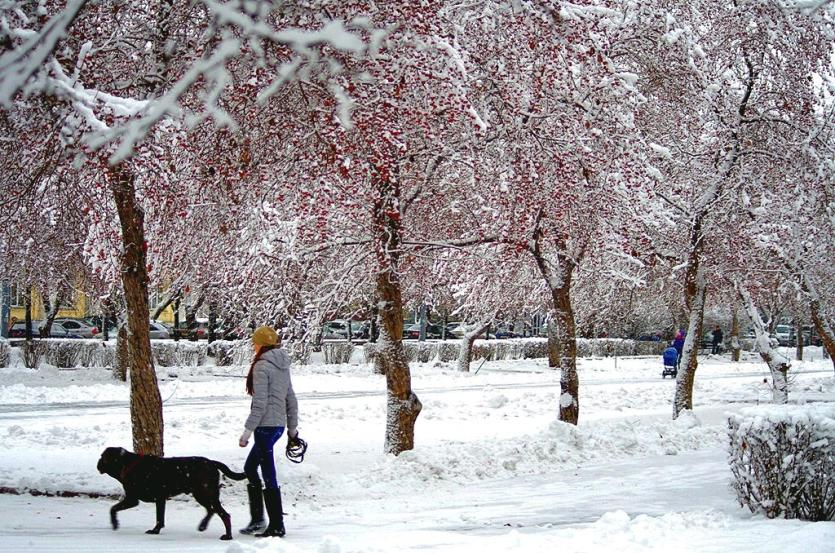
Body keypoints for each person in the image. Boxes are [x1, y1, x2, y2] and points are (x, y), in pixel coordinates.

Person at [238, 326, 299, 538]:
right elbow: (290, 397)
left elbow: (260, 403)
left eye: (254, 343)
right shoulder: (282, 364)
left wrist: (247, 433)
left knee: (268, 473)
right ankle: (258, 519)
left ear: (261, 344)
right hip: (278, 426)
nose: (253, 346)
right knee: (250, 467)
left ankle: (276, 525)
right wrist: (292, 429)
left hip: (264, 427)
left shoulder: (262, 366)